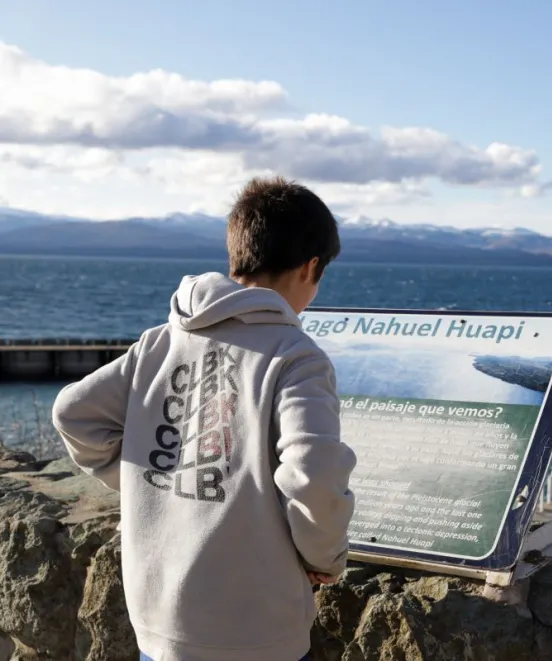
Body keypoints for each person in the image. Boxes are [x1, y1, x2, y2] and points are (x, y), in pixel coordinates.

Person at [51, 176, 357, 661]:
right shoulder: (296, 356)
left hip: (157, 620)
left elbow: (73, 412)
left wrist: (146, 480)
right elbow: (314, 474)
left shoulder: (161, 341)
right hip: (255, 631)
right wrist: (326, 557)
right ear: (311, 267)